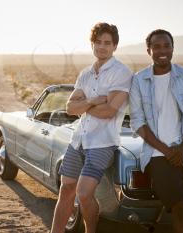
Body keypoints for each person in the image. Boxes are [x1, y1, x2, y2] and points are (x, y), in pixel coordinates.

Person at [50, 22, 132, 233]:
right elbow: (70, 108)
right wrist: (94, 100)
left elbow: (109, 111)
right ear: (92, 44)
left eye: (107, 43)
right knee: (66, 189)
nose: (102, 47)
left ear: (115, 46)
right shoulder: (85, 73)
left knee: (84, 193)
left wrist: (84, 105)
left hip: (102, 143)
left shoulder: (121, 72)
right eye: (98, 42)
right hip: (78, 140)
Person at [129, 29, 183, 233]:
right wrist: (169, 151)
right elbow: (138, 122)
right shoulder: (139, 80)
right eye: (157, 46)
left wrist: (182, 148)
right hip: (158, 155)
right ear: (148, 50)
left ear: (172, 48)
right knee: (179, 208)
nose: (162, 50)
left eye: (166, 45)